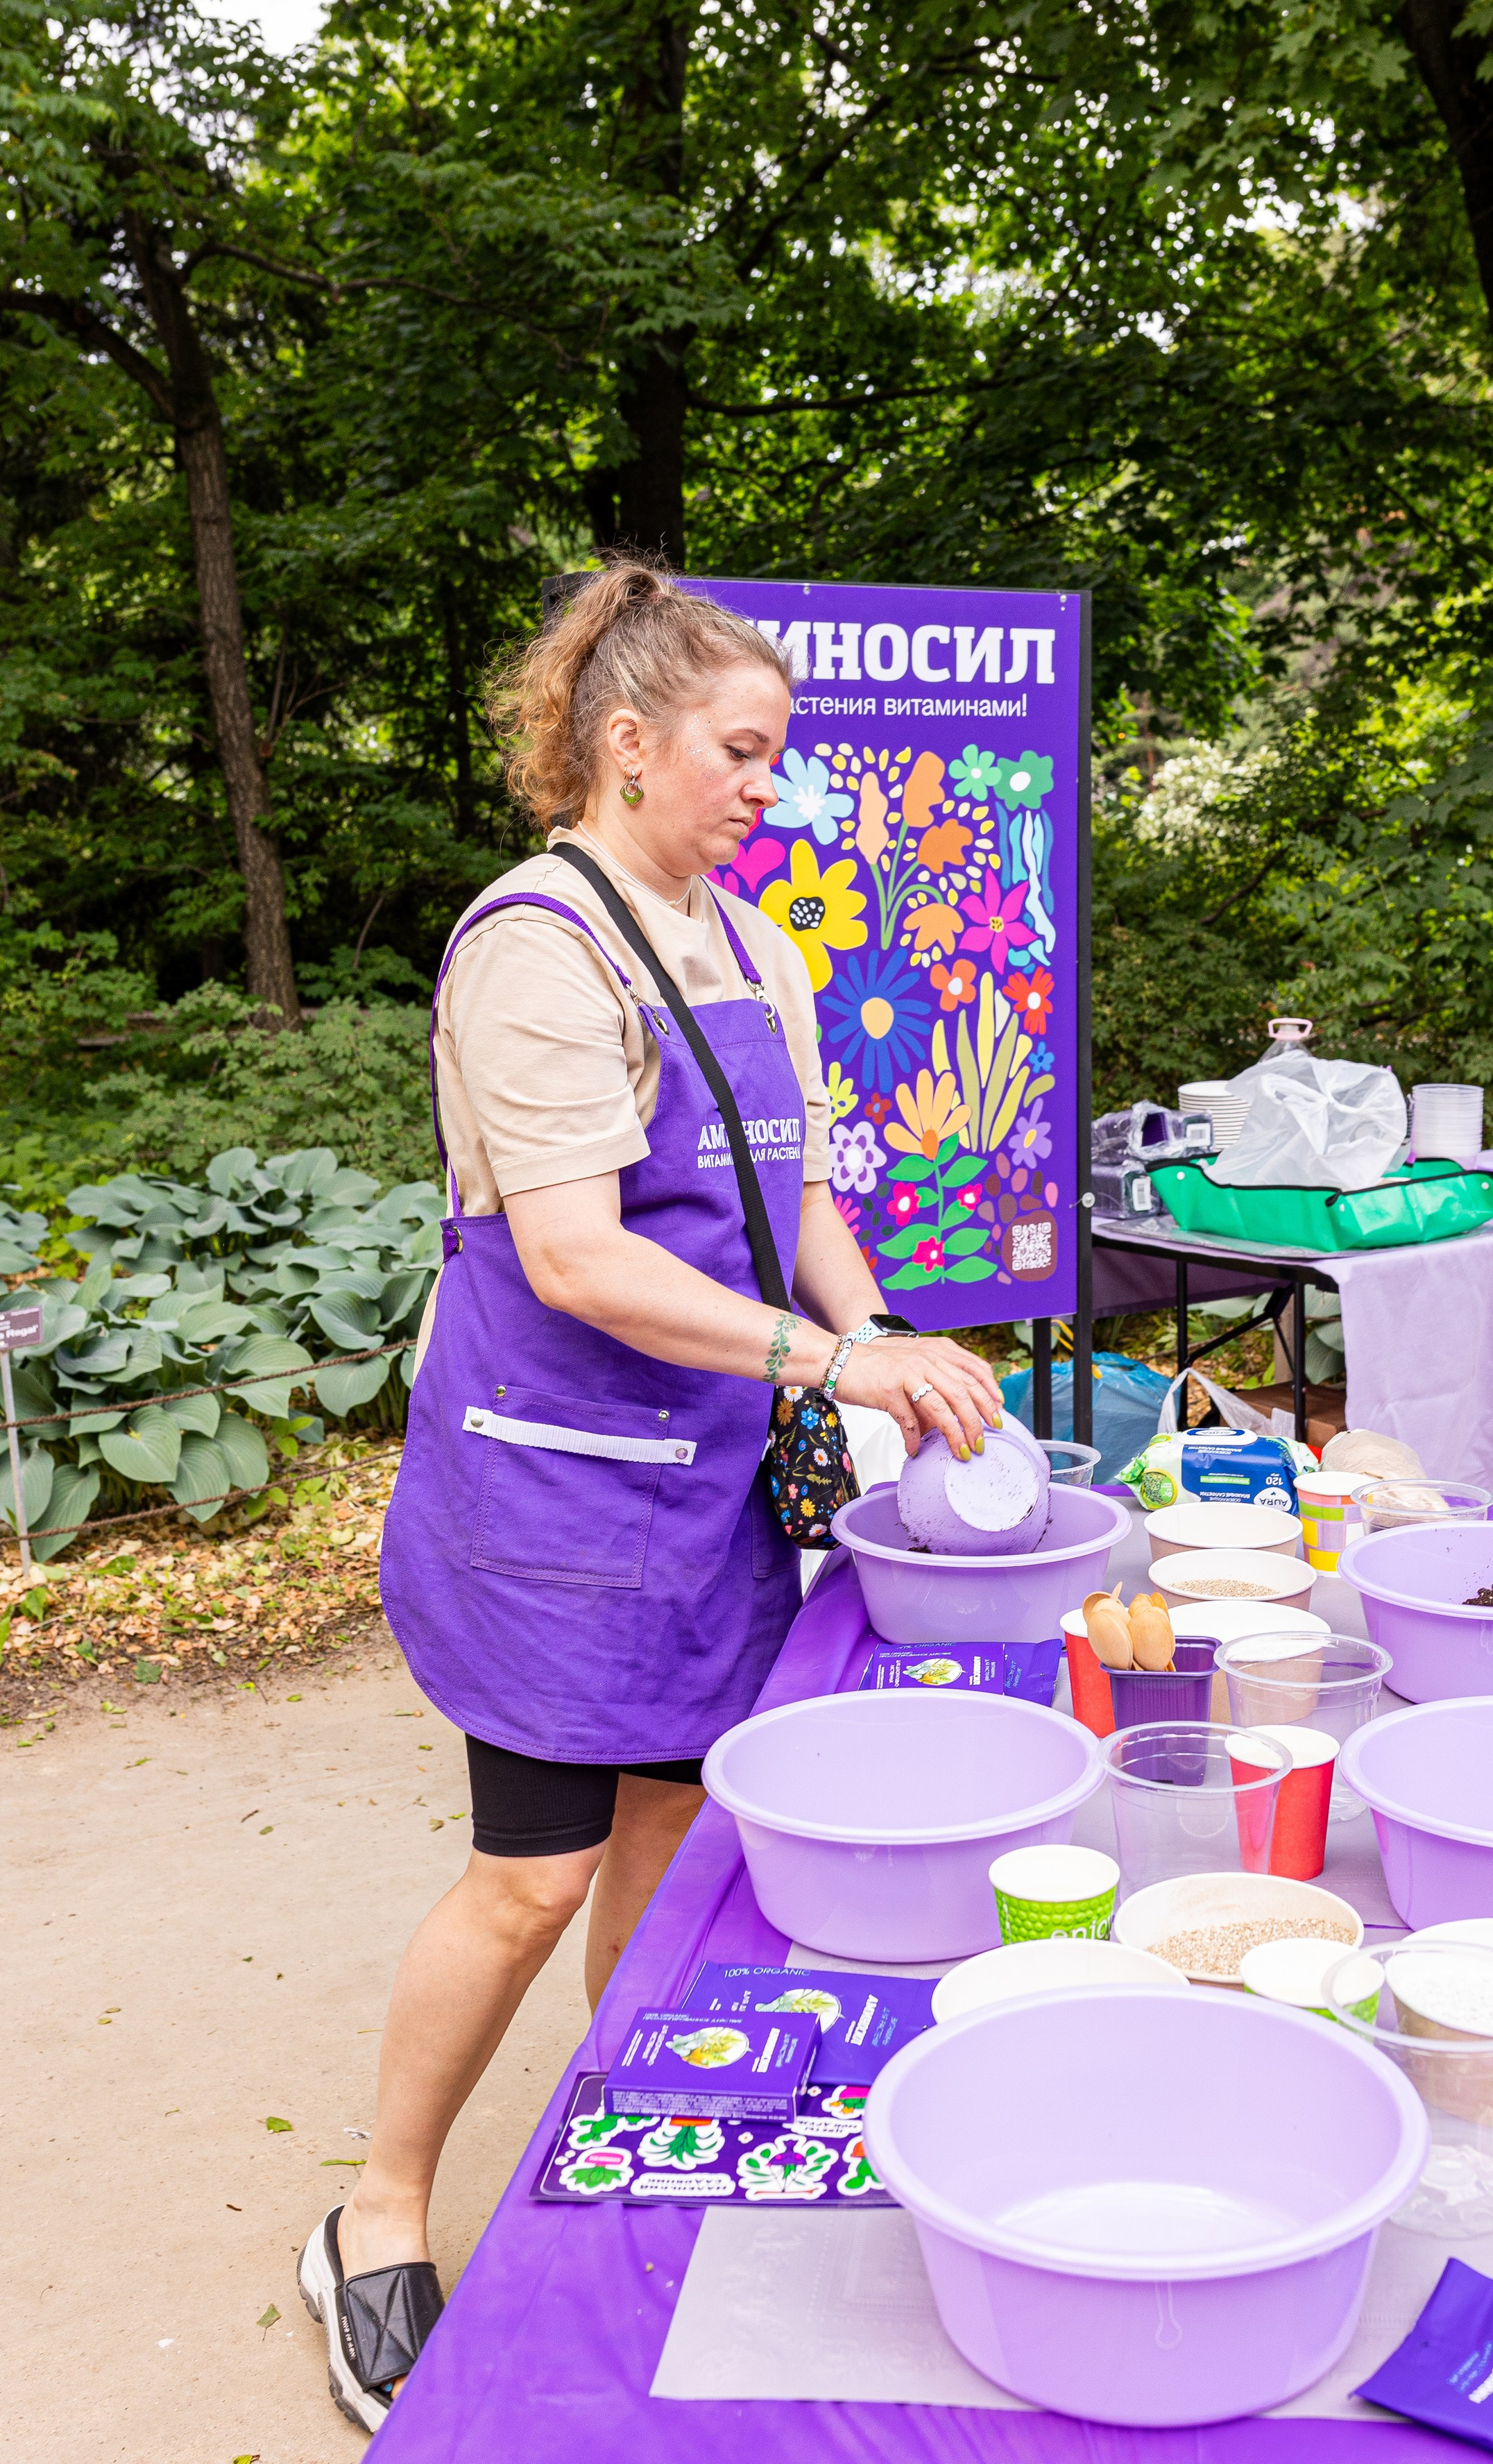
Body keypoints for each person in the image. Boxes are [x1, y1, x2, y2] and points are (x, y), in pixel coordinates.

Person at [298, 561, 1005, 2429]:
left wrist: (887, 1333)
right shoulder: (540, 946)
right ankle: (373, 2216)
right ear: (627, 745)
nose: (770, 789)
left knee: (671, 1853)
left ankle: (616, 2138)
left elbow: (811, 1208)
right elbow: (580, 1264)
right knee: (528, 1878)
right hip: (552, 1509)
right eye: (743, 753)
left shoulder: (750, 942)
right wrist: (834, 1367)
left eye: (778, 758)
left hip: (706, 1501)